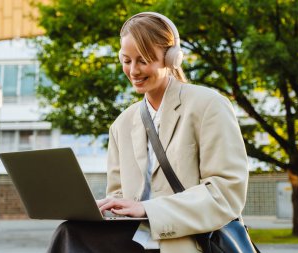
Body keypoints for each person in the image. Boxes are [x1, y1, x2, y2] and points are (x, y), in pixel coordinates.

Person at [47, 12, 249, 253]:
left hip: (188, 240)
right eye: (126, 60)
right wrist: (107, 206)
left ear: (171, 58)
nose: (133, 70)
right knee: (69, 232)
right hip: (135, 238)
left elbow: (226, 192)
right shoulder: (121, 124)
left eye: (143, 60)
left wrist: (148, 210)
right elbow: (120, 192)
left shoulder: (209, 105)